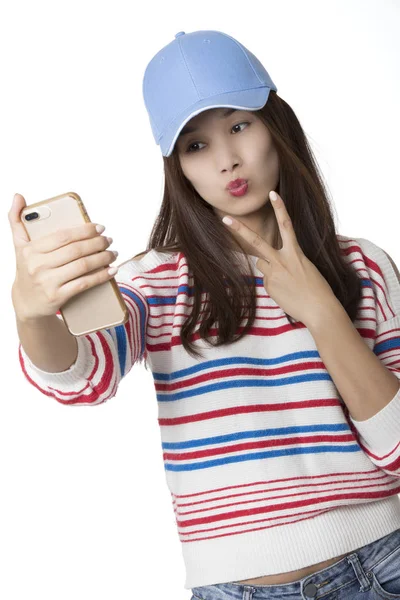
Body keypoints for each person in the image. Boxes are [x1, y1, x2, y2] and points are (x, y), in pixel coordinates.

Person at [10, 29, 400, 599]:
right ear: (178, 169)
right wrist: (33, 314)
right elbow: (81, 377)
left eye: (239, 124)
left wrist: (322, 311)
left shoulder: (363, 266)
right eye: (195, 145)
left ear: (277, 124)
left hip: (384, 565)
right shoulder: (157, 281)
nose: (227, 160)